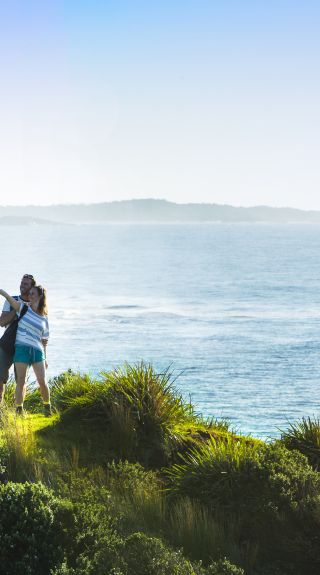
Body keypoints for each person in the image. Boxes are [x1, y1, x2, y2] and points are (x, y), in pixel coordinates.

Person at [0, 285, 51, 416]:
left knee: (42, 381)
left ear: (40, 296)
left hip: (37, 352)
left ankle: (47, 408)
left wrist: (45, 358)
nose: (29, 296)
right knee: (21, 381)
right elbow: (9, 298)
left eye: (33, 294)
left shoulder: (44, 318)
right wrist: (2, 291)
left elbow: (44, 341)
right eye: (29, 294)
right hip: (21, 349)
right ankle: (19, 410)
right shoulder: (23, 308)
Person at [0, 274, 36, 403]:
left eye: (26, 284)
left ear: (32, 287)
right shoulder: (12, 300)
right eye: (22, 283)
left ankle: (18, 410)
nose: (22, 285)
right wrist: (16, 309)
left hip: (25, 347)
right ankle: (1, 410)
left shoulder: (36, 304)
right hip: (6, 344)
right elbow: (2, 322)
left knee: (21, 381)